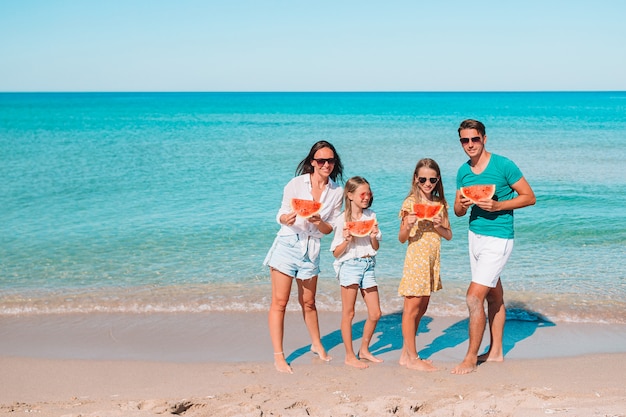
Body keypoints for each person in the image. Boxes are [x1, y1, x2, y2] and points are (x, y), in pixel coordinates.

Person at [452, 119, 536, 375]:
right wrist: (463, 205)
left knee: (473, 296)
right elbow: (456, 211)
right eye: (465, 140)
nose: (470, 145)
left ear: (484, 138)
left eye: (474, 139)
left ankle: (469, 357)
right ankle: (496, 351)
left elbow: (529, 197)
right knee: (494, 295)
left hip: (499, 239)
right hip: (474, 237)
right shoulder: (462, 172)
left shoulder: (503, 165)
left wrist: (498, 206)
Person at [264, 140, 344, 374]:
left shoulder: (337, 191)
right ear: (312, 162)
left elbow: (331, 229)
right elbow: (281, 211)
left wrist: (320, 222)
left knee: (309, 302)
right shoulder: (296, 184)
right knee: (280, 302)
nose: (326, 164)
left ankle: (316, 342)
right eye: (321, 160)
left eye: (330, 160)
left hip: (312, 249)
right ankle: (279, 356)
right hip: (288, 244)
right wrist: (284, 219)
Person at [398, 158, 452, 371]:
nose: (428, 183)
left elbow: (448, 235)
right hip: (416, 260)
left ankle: (406, 354)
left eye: (432, 179)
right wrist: (408, 225)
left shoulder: (440, 204)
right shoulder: (409, 203)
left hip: (432, 260)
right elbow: (402, 238)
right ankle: (412, 358)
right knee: (411, 309)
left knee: (422, 308)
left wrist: (438, 226)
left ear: (437, 180)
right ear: (416, 179)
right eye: (423, 179)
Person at [330, 176, 383, 369]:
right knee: (349, 313)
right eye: (363, 194)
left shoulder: (371, 216)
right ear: (350, 195)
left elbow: (375, 246)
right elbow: (336, 253)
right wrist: (346, 240)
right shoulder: (341, 219)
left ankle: (364, 350)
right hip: (349, 266)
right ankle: (349, 355)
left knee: (376, 313)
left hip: (368, 264)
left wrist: (373, 235)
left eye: (369, 193)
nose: (366, 197)